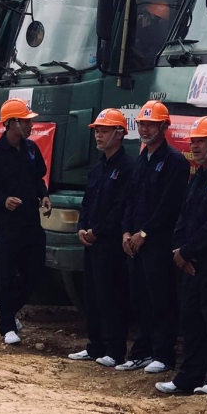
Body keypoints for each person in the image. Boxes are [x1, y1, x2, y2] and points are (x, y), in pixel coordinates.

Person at [154, 116, 207, 396]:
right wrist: (179, 250)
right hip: (188, 263)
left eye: (201, 141)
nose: (195, 146)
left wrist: (187, 251)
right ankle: (189, 376)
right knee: (191, 322)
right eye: (193, 141)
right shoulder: (197, 176)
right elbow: (184, 216)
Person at [117, 100, 189, 373]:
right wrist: (126, 232)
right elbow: (130, 200)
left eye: (150, 124)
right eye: (142, 123)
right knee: (140, 299)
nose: (145, 129)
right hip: (134, 244)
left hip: (157, 243)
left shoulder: (174, 162)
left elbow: (170, 206)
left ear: (164, 127)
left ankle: (163, 354)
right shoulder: (141, 160)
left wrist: (144, 233)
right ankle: (141, 351)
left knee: (161, 298)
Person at [0, 98, 51, 345]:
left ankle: (7, 306)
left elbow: (38, 178)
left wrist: (44, 196)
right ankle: (6, 325)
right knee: (6, 272)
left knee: (36, 271)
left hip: (31, 220)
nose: (31, 125)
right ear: (11, 124)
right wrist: (4, 200)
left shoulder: (31, 149)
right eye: (26, 121)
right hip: (8, 224)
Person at [68, 109, 134, 367]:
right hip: (92, 242)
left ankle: (114, 350)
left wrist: (97, 232)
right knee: (92, 295)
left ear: (119, 134)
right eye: (97, 130)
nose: (98, 135)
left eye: (104, 131)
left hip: (109, 243)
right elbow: (88, 203)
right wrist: (82, 228)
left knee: (111, 296)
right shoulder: (98, 168)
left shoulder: (127, 168)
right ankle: (94, 345)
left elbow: (119, 207)